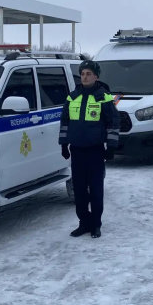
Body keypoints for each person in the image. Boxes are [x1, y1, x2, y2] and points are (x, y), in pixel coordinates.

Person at [59, 60, 120, 239]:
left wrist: (111, 146)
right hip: (77, 151)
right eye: (83, 74)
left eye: (88, 74)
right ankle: (83, 223)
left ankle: (96, 224)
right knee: (79, 190)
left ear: (96, 76)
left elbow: (113, 123)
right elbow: (65, 122)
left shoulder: (104, 97)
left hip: (95, 151)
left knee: (95, 190)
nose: (85, 77)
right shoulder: (72, 97)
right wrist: (64, 144)